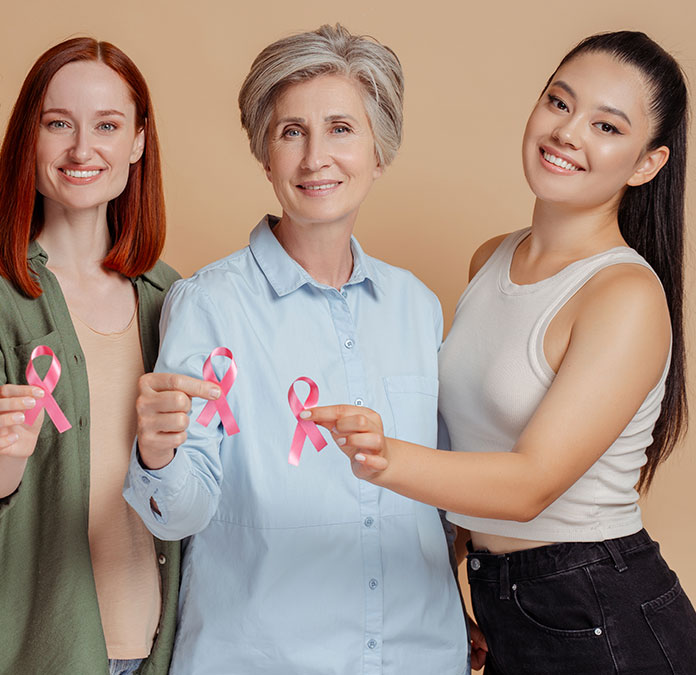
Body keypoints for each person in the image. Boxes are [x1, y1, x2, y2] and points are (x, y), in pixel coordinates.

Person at [306, 31, 696, 673]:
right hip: (507, 599)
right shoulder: (490, 259)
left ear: (645, 164)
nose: (568, 133)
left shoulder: (624, 294)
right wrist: (446, 590)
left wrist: (379, 456)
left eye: (605, 125)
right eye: (559, 102)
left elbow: (528, 486)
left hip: (596, 604)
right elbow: (474, 453)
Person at [123, 25, 468, 673]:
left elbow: (444, 497)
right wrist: (158, 452)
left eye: (341, 129)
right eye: (291, 132)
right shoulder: (209, 305)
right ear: (265, 153)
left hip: (422, 656)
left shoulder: (417, 307)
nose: (316, 158)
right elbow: (179, 516)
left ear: (379, 151)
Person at [0, 37, 179, 675]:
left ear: (138, 142)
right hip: (28, 647)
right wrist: (4, 451)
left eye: (107, 126)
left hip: (155, 646)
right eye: (58, 124)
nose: (81, 149)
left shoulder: (171, 296)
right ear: (29, 139)